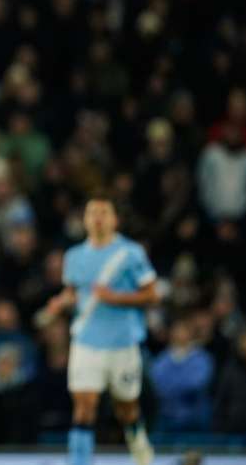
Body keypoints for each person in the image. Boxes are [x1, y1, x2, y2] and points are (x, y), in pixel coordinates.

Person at [38, 193, 158, 465]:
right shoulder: (74, 256)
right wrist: (60, 304)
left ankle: (141, 453)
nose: (98, 218)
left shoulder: (130, 253)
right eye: (93, 213)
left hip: (122, 342)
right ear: (85, 219)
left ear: (115, 219)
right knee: (84, 404)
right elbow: (74, 293)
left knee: (126, 409)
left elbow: (152, 295)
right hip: (86, 341)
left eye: (104, 212)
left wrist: (115, 298)